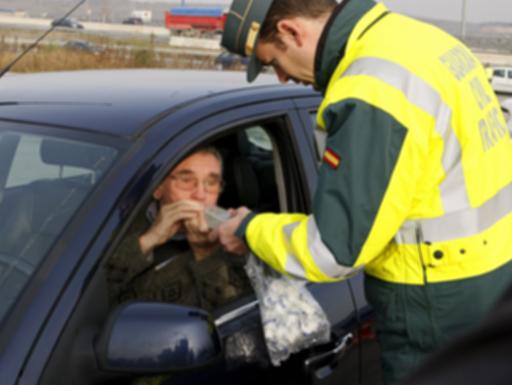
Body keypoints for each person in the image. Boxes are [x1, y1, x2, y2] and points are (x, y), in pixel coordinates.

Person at [216, 0, 512, 384]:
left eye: (274, 62)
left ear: (291, 31)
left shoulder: (371, 90)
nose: (283, 79)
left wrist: (249, 229)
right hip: (493, 278)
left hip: (434, 303)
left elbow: (332, 252)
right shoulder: (424, 42)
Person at [106, 146, 251, 312]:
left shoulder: (233, 240)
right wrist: (149, 240)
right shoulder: (117, 223)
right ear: (158, 188)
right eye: (186, 180)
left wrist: (206, 255)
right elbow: (90, 291)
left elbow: (231, 318)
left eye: (211, 183)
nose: (200, 195)